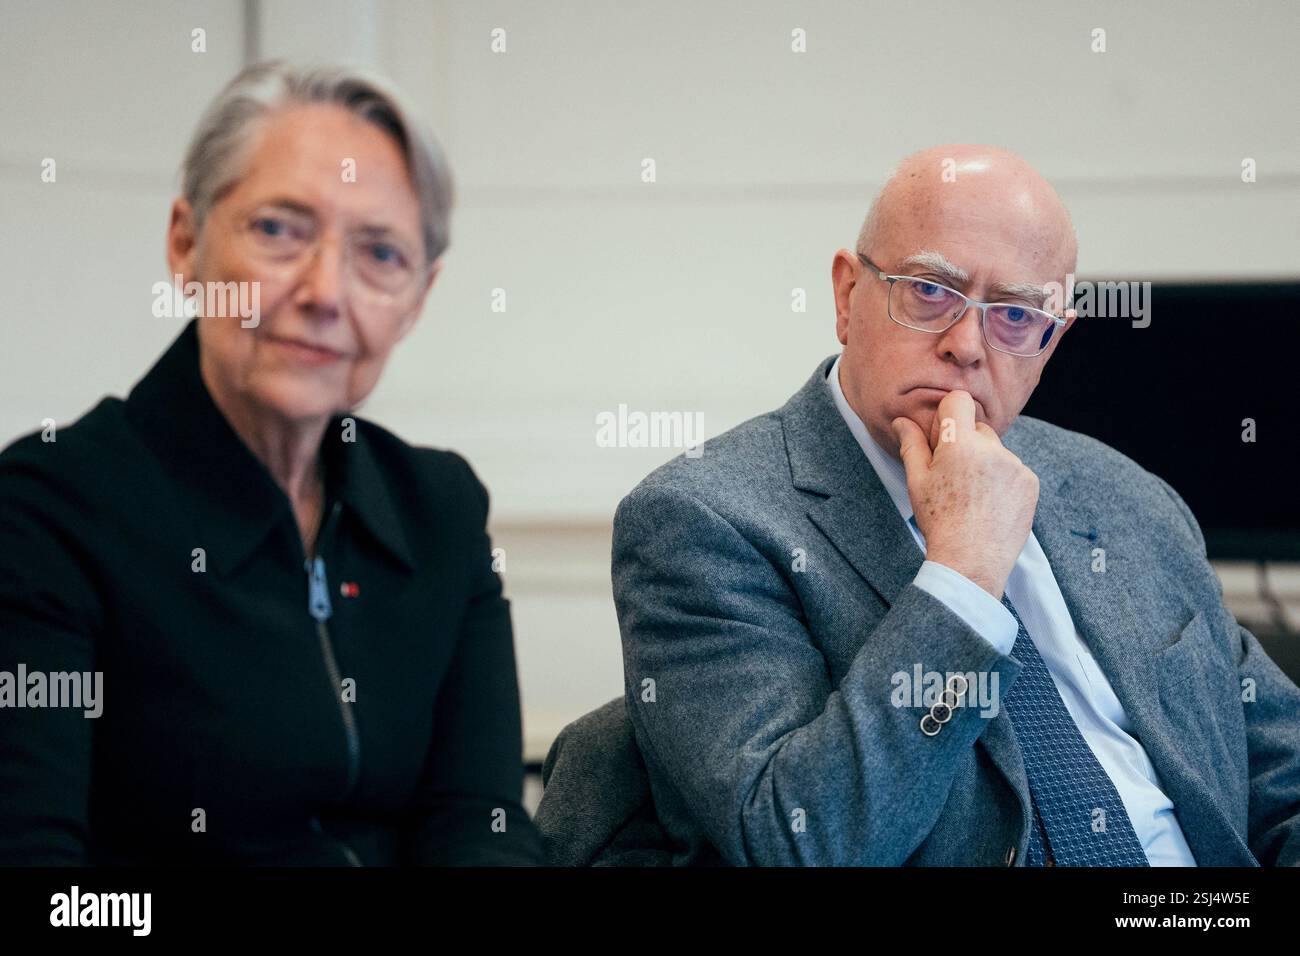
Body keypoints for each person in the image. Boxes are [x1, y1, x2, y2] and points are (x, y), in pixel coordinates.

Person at [610, 144, 1300, 866]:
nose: (967, 346)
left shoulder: (1126, 496)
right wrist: (964, 576)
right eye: (930, 292)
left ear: (1051, 340)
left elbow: (1280, 773)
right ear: (848, 296)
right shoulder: (704, 520)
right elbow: (800, 841)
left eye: (1013, 313)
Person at [0, 61, 543, 865]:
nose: (326, 291)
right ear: (186, 244)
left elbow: (478, 826)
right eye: (279, 229)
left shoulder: (441, 510)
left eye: (380, 255)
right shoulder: (46, 512)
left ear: (418, 299)